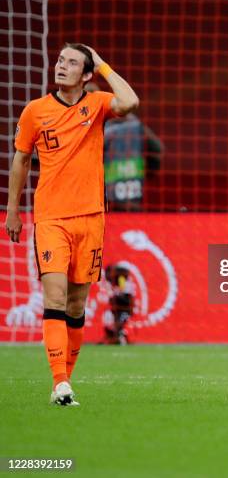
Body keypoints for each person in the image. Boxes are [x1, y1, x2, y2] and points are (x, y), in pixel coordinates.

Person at [5, 43, 139, 406]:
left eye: (72, 63)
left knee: (77, 305)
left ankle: (63, 383)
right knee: (55, 297)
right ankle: (60, 382)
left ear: (85, 74)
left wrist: (103, 64)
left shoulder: (95, 106)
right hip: (51, 218)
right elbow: (20, 161)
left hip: (91, 218)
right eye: (61, 60)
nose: (61, 66)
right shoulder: (36, 111)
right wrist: (12, 211)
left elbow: (130, 102)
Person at [86, 81, 163, 211]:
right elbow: (158, 150)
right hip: (133, 194)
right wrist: (145, 172)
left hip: (105, 201)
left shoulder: (99, 128)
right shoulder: (136, 123)